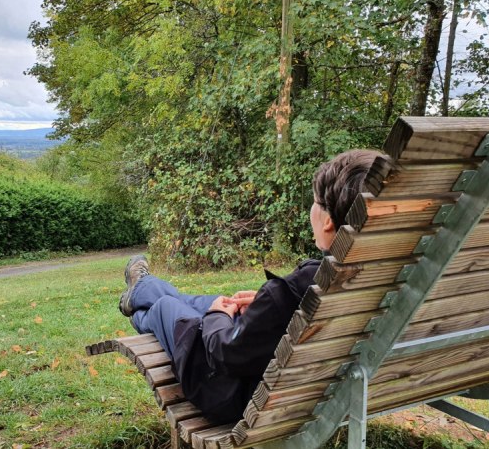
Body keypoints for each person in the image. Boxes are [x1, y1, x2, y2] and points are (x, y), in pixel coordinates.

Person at [117, 149, 388, 424]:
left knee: (167, 306)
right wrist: (262, 305)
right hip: (310, 392)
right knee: (215, 301)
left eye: (315, 202)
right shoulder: (379, 278)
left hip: (230, 393)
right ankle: (142, 290)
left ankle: (141, 300)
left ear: (328, 221)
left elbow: (225, 354)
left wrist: (219, 315)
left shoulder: (291, 294)